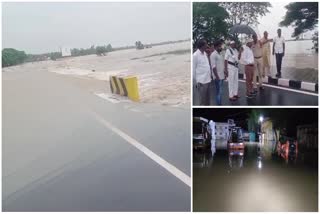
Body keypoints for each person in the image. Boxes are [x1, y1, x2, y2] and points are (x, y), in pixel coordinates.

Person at [193, 39, 211, 105]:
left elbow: (207, 65)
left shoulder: (205, 54)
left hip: (208, 80)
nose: (207, 45)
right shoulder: (195, 55)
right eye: (205, 44)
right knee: (202, 101)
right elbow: (193, 70)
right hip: (201, 82)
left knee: (207, 100)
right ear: (202, 46)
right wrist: (196, 82)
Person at [210, 40, 225, 105]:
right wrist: (217, 77)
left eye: (221, 46)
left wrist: (225, 73)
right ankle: (219, 105)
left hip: (221, 76)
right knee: (218, 92)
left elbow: (221, 64)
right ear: (216, 47)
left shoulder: (220, 54)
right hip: (217, 77)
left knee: (220, 92)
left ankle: (220, 104)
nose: (221, 47)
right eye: (220, 46)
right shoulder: (213, 55)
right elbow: (213, 67)